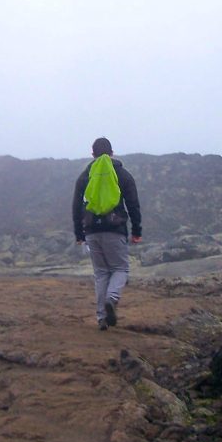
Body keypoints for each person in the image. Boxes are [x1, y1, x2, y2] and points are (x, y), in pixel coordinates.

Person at [72, 137, 142, 330]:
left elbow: (77, 206)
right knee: (120, 269)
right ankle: (112, 299)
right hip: (114, 230)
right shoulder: (122, 174)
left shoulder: (85, 176)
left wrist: (79, 234)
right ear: (112, 153)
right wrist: (137, 231)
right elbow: (133, 204)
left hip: (92, 231)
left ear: (92, 154)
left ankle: (102, 318)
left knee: (101, 273)